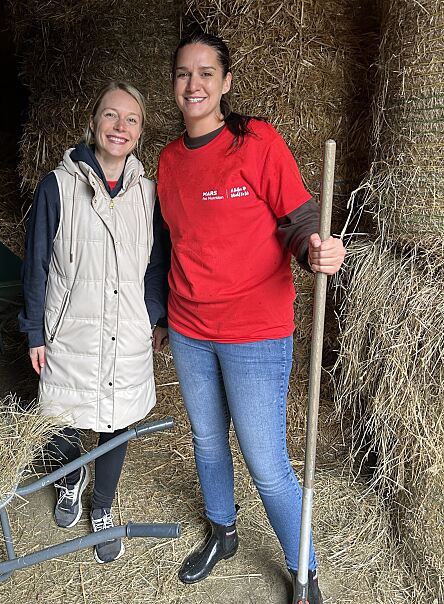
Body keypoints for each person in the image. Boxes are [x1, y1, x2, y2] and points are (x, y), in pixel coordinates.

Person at [155, 31, 346, 602]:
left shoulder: (256, 142)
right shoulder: (166, 161)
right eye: (184, 74)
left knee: (266, 462)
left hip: (254, 332)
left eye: (206, 73)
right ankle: (223, 532)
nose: (195, 84)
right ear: (174, 85)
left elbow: (298, 219)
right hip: (189, 326)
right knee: (208, 440)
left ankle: (303, 569)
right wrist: (160, 314)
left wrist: (317, 246)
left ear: (226, 83)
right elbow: (169, 242)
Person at [19, 81, 167, 564]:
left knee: (117, 419)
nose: (119, 127)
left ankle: (101, 507)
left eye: (131, 119)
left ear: (141, 133)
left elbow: (157, 264)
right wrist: (36, 331)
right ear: (93, 122)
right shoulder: (58, 187)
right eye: (110, 115)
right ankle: (70, 478)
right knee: (62, 411)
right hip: (70, 328)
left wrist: (152, 316)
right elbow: (36, 263)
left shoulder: (149, 195)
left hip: (127, 329)